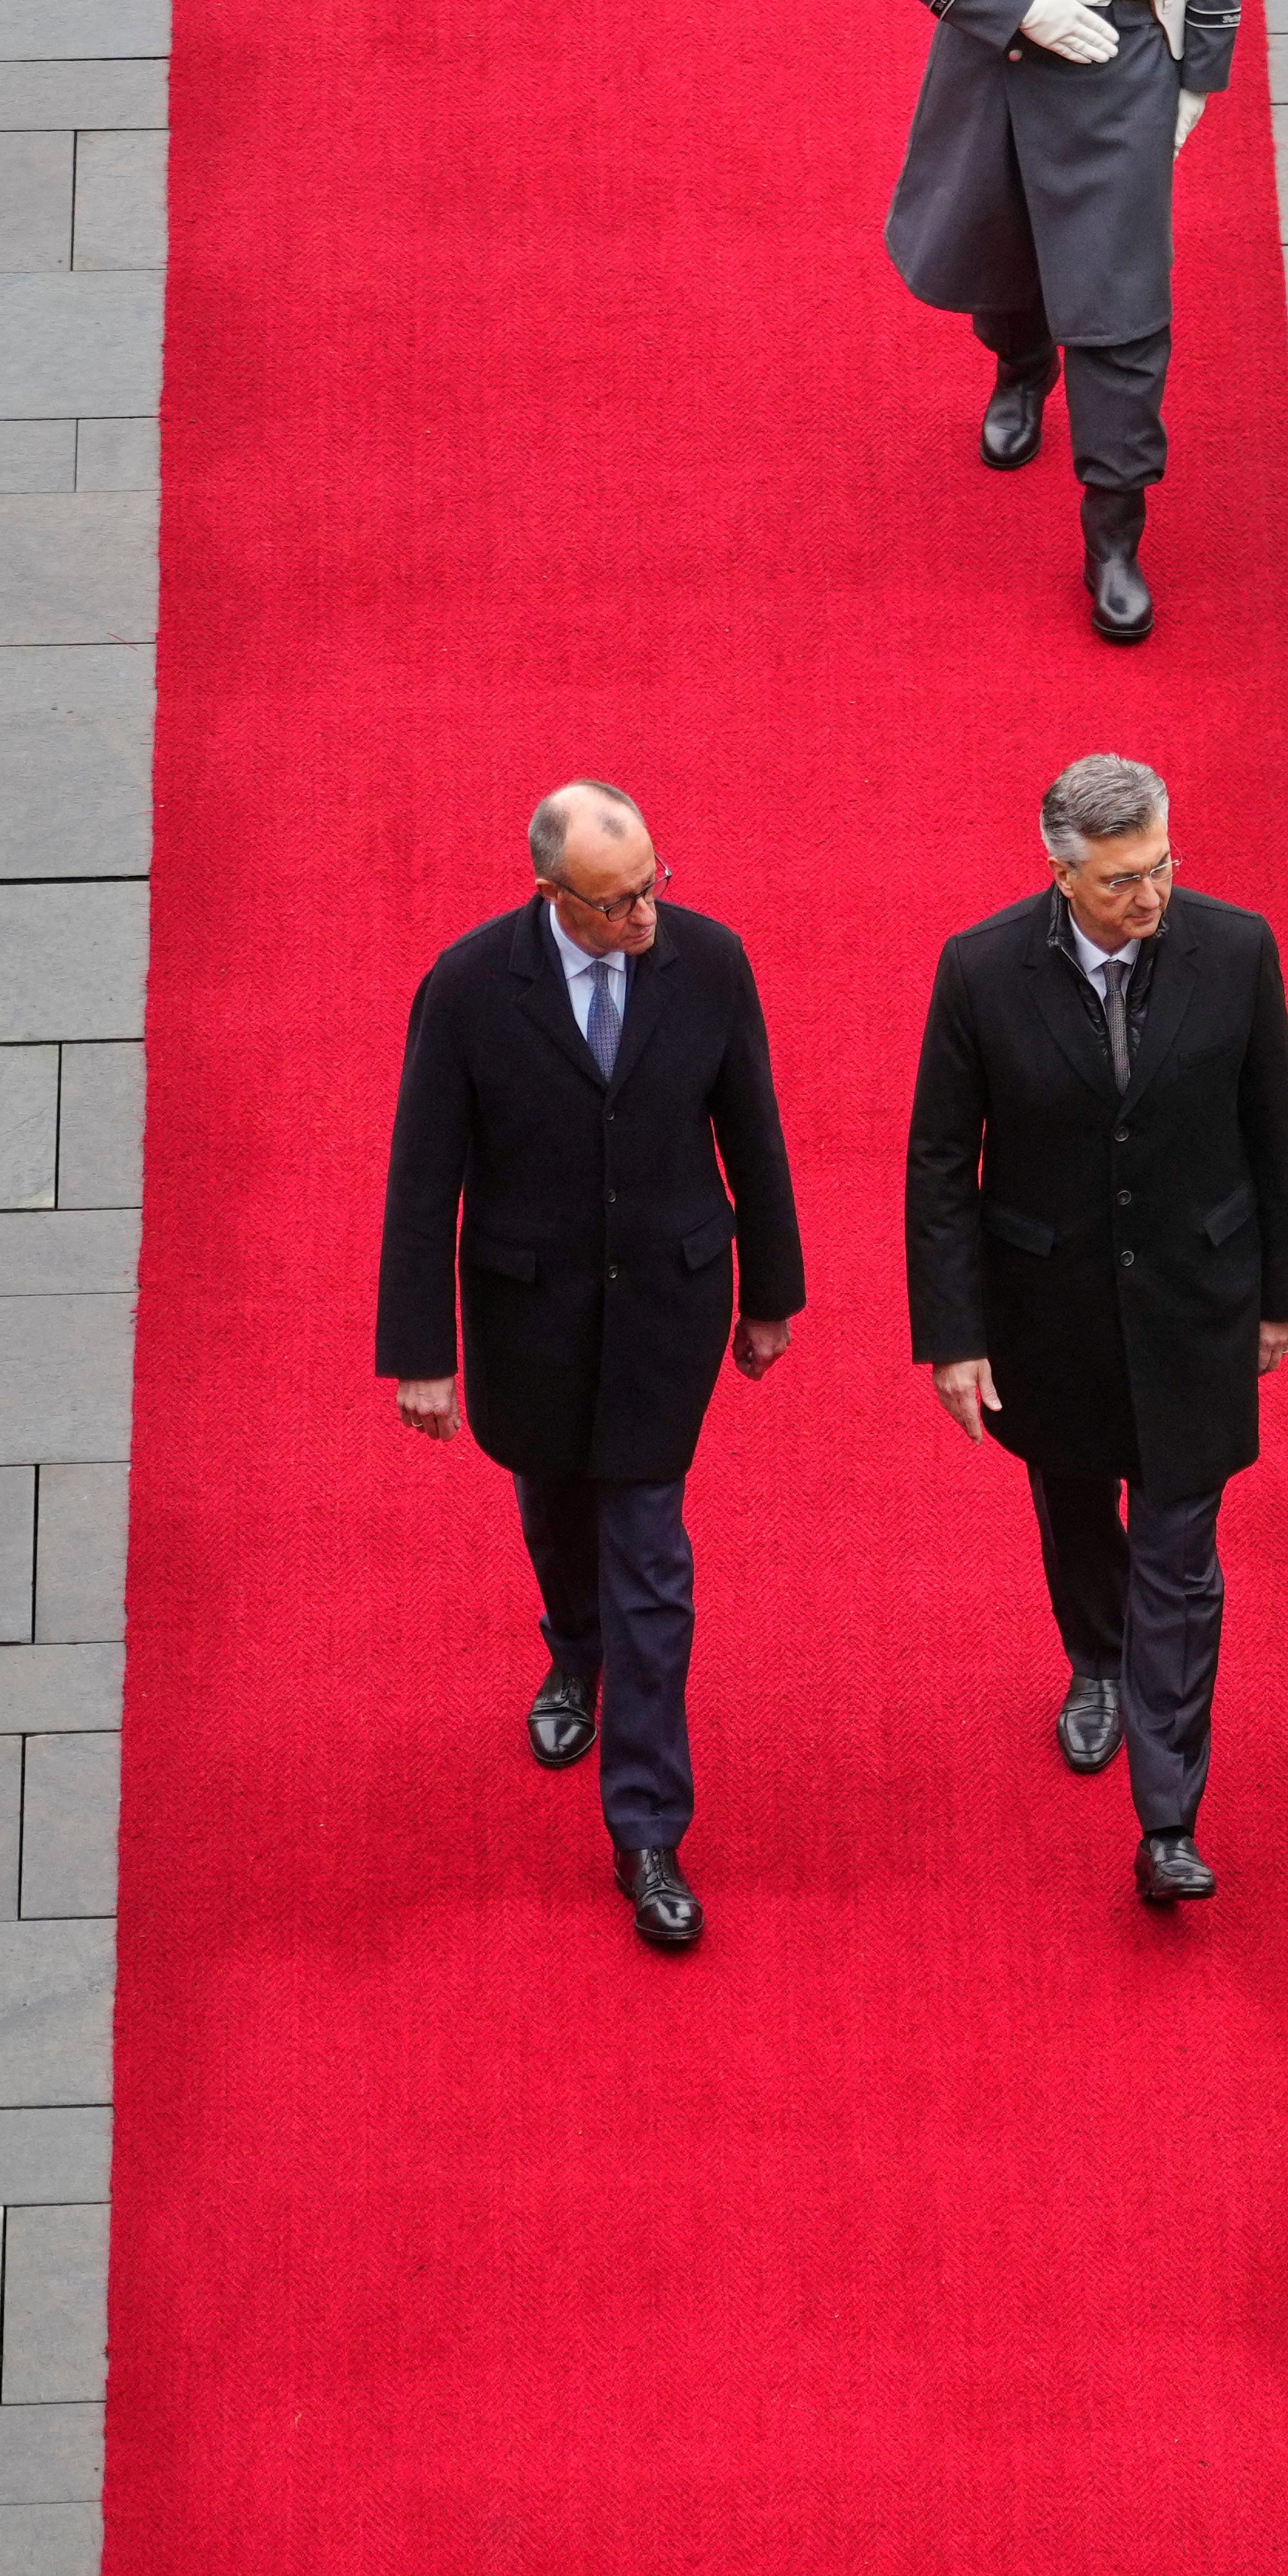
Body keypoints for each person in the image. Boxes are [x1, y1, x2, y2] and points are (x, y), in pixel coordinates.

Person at [372, 781, 805, 1952]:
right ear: (551, 895)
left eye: (654, 886)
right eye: (616, 903)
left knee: (650, 1560)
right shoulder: (466, 988)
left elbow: (752, 1128)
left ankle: (649, 1830)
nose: (645, 917)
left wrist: (771, 1292)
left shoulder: (709, 962)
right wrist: (423, 1356)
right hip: (529, 1319)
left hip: (668, 1307)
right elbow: (423, 1180)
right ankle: (574, 1652)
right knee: (559, 1513)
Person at [905, 753, 1288, 1905]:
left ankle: (1168, 1818)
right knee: (1078, 1508)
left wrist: (1285, 1290)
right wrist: (954, 1330)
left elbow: (1271, 1121)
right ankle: (1094, 1659)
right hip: (1052, 1313)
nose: (1151, 898)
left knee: (1182, 1562)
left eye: (1161, 866)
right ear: (1062, 872)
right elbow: (943, 1160)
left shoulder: (1234, 950)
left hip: (1198, 1304)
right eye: (1124, 880)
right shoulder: (980, 970)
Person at [862, 0, 1249, 648]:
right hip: (999, 54)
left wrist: (1199, 70)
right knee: (1003, 247)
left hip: (1120, 54)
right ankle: (1019, 363)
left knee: (1119, 303)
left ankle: (1113, 531)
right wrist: (1020, 0)